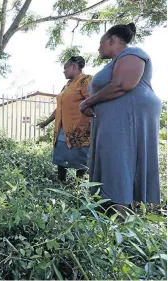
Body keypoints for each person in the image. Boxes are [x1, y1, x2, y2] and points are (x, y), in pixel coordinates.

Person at [80, 23, 161, 213]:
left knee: (119, 159)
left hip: (128, 118)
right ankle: (110, 209)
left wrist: (86, 103)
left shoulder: (133, 53)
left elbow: (122, 85)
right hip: (113, 120)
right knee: (112, 160)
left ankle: (121, 217)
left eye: (101, 43)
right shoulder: (115, 62)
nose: (98, 48)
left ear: (112, 40)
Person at [37, 56, 93, 182]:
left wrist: (90, 123)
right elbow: (60, 109)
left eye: (65, 68)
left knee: (81, 158)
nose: (64, 71)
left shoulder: (85, 80)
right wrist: (46, 122)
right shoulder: (67, 86)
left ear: (74, 66)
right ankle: (61, 183)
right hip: (63, 128)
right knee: (61, 157)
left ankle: (80, 186)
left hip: (79, 129)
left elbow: (92, 101)